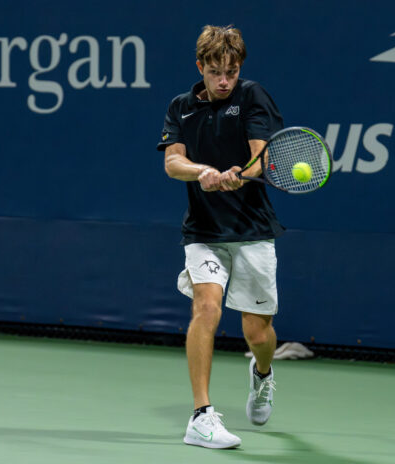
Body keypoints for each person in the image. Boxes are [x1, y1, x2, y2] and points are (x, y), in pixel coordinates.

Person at [156, 25, 284, 449]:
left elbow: (260, 158)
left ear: (239, 68)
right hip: (204, 231)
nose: (224, 80)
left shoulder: (252, 96)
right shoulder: (180, 107)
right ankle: (201, 416)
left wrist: (237, 175)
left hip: (251, 231)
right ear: (201, 68)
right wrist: (204, 173)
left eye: (231, 71)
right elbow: (173, 163)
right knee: (206, 308)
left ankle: (262, 375)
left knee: (258, 334)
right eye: (215, 72)